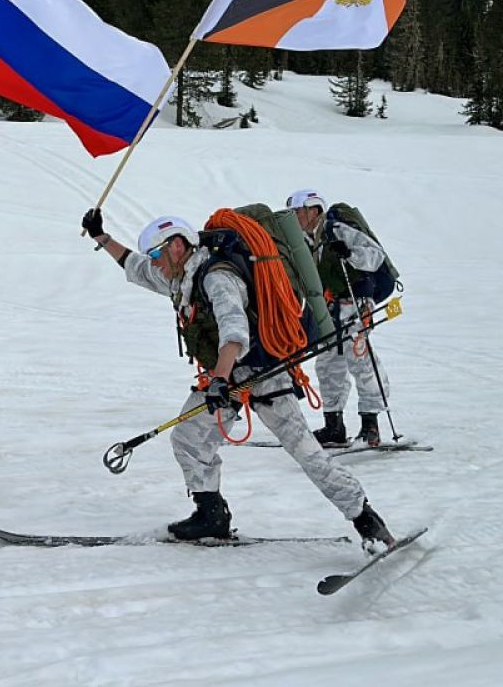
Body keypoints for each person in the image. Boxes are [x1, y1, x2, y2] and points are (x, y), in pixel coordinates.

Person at [80, 206, 397, 550]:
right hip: (228, 378)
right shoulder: (180, 275)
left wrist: (219, 380)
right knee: (188, 439)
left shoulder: (216, 277)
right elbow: (138, 268)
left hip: (262, 374)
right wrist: (102, 237)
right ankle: (211, 515)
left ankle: (367, 520)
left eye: (157, 254)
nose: (154, 263)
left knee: (305, 452)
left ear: (176, 246)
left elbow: (234, 332)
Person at [283, 189, 396, 447]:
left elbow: (375, 256)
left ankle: (370, 425)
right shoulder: (304, 241)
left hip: (355, 303)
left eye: (298, 211)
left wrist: (349, 254)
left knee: (360, 360)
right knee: (327, 364)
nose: (295, 217)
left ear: (314, 210)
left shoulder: (337, 229)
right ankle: (334, 425)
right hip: (330, 308)